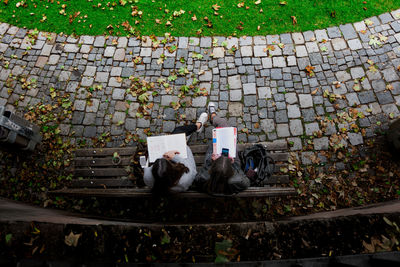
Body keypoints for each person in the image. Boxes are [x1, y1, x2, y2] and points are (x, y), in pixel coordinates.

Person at [143, 112, 208, 195]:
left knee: (177, 135)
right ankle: (198, 125)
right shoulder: (185, 180)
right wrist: (175, 156)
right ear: (171, 168)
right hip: (183, 164)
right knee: (178, 132)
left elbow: (146, 167)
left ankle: (195, 128)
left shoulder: (148, 177)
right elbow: (191, 168)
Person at [195, 102, 250, 195]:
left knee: (218, 138)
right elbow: (246, 182)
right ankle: (213, 116)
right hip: (227, 168)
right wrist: (234, 166)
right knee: (224, 129)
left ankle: (212, 116)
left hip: (218, 167)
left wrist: (210, 163)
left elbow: (197, 180)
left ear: (212, 168)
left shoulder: (203, 178)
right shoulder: (238, 181)